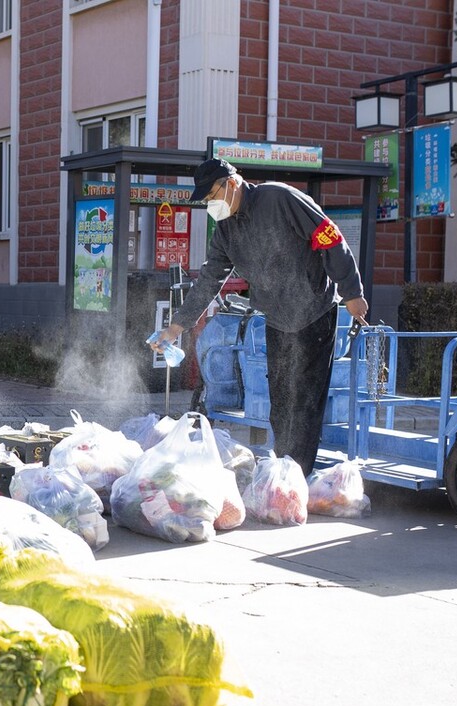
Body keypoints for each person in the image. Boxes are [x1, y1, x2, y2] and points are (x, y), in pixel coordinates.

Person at [149, 158, 369, 476]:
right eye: (207, 201)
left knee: (304, 401)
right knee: (280, 401)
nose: (211, 205)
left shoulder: (279, 199)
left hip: (313, 312)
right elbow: (211, 278)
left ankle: (294, 478)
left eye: (212, 196)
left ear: (232, 183)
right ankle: (283, 469)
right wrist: (176, 326)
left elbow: (329, 237)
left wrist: (352, 292)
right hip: (277, 318)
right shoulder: (225, 230)